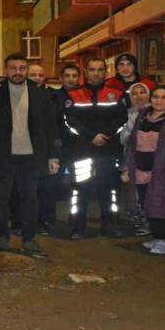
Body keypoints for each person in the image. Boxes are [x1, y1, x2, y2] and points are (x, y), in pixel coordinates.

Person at [0, 53, 60, 257]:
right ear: (6, 70)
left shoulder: (40, 94)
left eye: (22, 68)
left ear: (27, 70)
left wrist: (53, 156)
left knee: (30, 200)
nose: (18, 72)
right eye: (13, 68)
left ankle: (29, 239)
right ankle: (3, 237)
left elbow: (51, 128)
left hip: (31, 157)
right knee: (0, 199)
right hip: (2, 157)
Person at [62, 58, 127, 240]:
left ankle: (110, 226)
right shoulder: (73, 95)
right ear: (86, 71)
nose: (96, 73)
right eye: (92, 69)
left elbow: (122, 119)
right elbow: (69, 121)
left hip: (108, 152)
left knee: (109, 191)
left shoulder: (116, 94)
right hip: (82, 151)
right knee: (79, 191)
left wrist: (105, 135)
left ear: (105, 72)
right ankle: (77, 228)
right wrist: (91, 136)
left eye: (99, 70)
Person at [121, 86, 165, 254]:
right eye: (156, 97)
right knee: (147, 204)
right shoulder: (143, 116)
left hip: (161, 171)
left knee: (160, 206)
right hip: (140, 170)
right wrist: (127, 167)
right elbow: (132, 143)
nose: (159, 101)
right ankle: (157, 237)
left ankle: (164, 239)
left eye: (164, 97)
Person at [28, 63, 61, 236]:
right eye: (33, 75)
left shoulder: (51, 96)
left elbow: (53, 128)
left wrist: (54, 156)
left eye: (41, 75)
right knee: (27, 191)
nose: (37, 78)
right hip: (24, 152)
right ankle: (27, 223)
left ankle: (46, 221)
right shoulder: (18, 95)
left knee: (46, 190)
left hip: (45, 152)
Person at [118, 82, 151, 236]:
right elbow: (123, 138)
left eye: (142, 92)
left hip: (151, 159)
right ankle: (138, 221)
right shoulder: (125, 115)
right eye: (134, 93)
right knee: (135, 192)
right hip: (132, 158)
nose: (138, 96)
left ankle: (152, 222)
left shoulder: (156, 112)